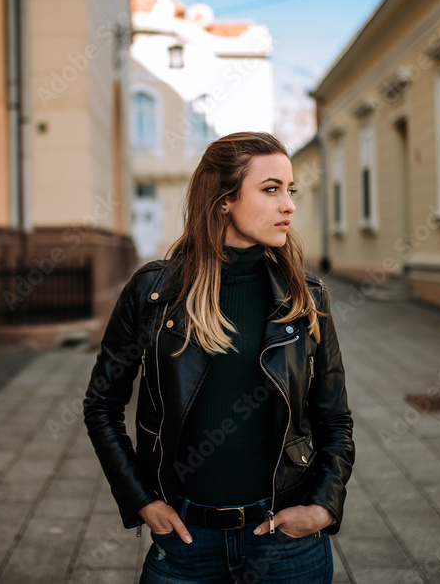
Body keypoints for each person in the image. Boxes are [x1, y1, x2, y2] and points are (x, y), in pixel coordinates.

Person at [83, 131, 354, 583]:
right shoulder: (152, 293)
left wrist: (324, 506)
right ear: (223, 199)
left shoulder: (305, 296)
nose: (288, 205)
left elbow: (334, 419)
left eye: (291, 191)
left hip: (286, 544)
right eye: (270, 190)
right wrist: (141, 500)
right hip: (187, 545)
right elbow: (102, 405)